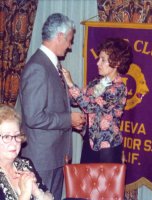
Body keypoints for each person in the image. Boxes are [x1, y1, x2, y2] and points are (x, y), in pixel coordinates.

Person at [18, 13, 85, 200]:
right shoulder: (38, 68)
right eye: (70, 41)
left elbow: (61, 100)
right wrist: (69, 120)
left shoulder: (52, 65)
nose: (70, 46)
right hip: (42, 159)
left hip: (54, 156)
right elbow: (34, 116)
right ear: (60, 37)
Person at [63, 38, 133, 163]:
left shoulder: (118, 88)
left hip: (108, 148)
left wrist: (70, 83)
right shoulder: (98, 82)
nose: (98, 63)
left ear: (116, 63)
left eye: (103, 60)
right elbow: (76, 100)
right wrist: (60, 85)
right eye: (99, 59)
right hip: (89, 143)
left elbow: (89, 106)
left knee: (106, 183)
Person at [0, 105, 54, 200]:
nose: (14, 142)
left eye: (16, 135)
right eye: (6, 137)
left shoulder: (25, 164)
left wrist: (36, 192)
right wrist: (25, 194)